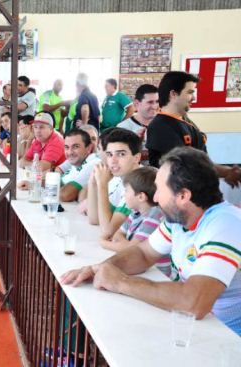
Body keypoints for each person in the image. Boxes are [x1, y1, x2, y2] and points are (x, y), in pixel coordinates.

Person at [62, 147, 241, 336]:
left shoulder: (226, 225)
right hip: (203, 329)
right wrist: (99, 269)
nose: (154, 198)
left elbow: (193, 303)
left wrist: (121, 282)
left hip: (229, 340)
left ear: (183, 196)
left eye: (159, 190)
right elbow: (144, 253)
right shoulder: (181, 219)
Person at [146, 71, 241, 188]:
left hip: (195, 190)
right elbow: (187, 164)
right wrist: (227, 172)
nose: (194, 98)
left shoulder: (184, 120)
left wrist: (228, 171)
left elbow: (200, 158)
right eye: (190, 92)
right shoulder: (160, 126)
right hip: (177, 195)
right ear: (173, 94)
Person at [99, 166, 170, 276]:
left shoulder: (155, 214)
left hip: (158, 275)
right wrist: (126, 245)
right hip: (141, 270)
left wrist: (104, 243)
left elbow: (133, 249)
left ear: (141, 197)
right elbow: (118, 234)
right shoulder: (135, 213)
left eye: (126, 191)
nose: (124, 194)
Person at [87, 128, 142, 239]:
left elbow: (108, 232)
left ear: (136, 158)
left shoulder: (138, 184)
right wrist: (93, 183)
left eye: (121, 154)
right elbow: (94, 219)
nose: (113, 160)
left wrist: (102, 185)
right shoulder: (121, 177)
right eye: (109, 154)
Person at [56, 129, 101, 202]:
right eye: (67, 147)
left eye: (76, 146)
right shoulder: (76, 163)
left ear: (89, 148)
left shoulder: (94, 163)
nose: (70, 152)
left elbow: (65, 195)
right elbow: (58, 182)